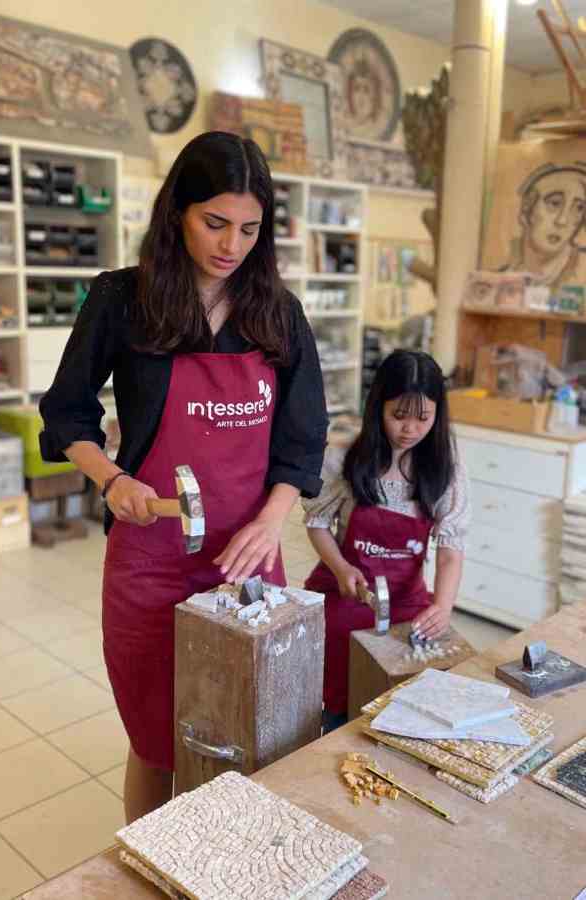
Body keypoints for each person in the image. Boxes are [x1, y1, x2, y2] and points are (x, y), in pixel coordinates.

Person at [39, 131, 328, 822]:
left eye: (250, 229)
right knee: (155, 735)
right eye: (215, 222)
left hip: (249, 561)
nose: (232, 244)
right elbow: (65, 413)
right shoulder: (123, 300)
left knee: (252, 726)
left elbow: (302, 439)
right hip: (152, 562)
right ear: (178, 213)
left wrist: (268, 522)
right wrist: (113, 480)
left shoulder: (276, 314)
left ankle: (225, 857)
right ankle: (146, 861)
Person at [302, 350, 469, 733]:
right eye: (399, 416)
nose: (409, 429)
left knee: (399, 710)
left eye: (423, 419)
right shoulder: (345, 459)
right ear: (378, 406)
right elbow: (318, 524)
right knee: (336, 708)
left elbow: (450, 551)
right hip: (345, 596)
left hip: (406, 606)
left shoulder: (445, 471)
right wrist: (341, 567)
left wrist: (442, 606)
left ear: (437, 416)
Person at [506, 162, 586, 289]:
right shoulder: (504, 276)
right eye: (554, 203)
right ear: (527, 208)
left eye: (578, 208)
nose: (562, 220)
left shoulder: (581, 275)